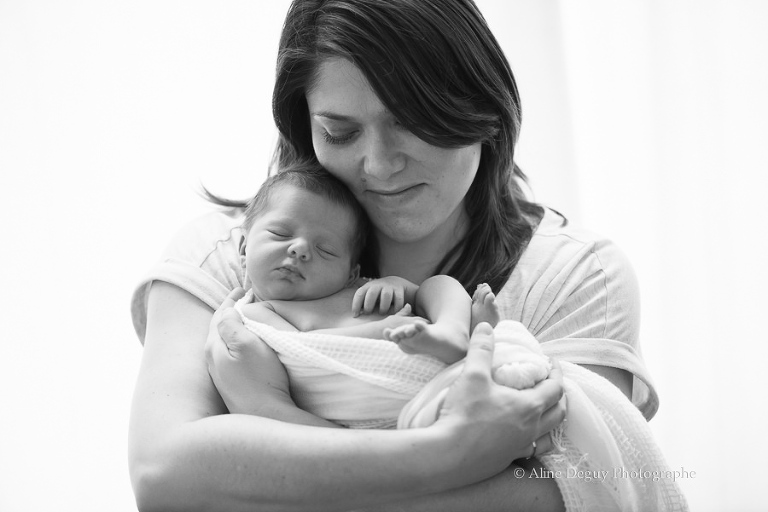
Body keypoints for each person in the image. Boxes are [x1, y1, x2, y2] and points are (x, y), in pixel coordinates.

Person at [129, 0, 659, 510]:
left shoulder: (576, 276)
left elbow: (586, 489)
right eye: (340, 132)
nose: (379, 165)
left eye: (410, 121)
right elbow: (165, 477)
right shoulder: (230, 256)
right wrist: (449, 455)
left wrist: (263, 441)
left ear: (481, 107)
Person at [222, 162, 504, 428]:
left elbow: (421, 301)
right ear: (245, 248)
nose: (300, 249)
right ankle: (472, 339)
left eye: (326, 251)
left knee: (439, 285)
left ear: (350, 273)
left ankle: (455, 330)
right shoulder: (254, 315)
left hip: (433, 350)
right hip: (391, 397)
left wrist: (397, 285)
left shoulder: (358, 289)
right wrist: (380, 330)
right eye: (280, 233)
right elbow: (304, 347)